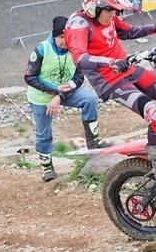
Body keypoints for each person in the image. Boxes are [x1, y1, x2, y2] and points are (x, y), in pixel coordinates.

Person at [65, 0, 156, 190]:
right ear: (93, 7)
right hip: (111, 82)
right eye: (110, 11)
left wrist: (155, 27)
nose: (114, 15)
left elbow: (127, 31)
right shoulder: (78, 25)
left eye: (115, 11)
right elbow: (80, 59)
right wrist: (109, 62)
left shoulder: (107, 16)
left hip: (128, 69)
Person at [25, 16, 108, 182]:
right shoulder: (41, 49)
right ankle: (46, 167)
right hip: (42, 96)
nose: (64, 41)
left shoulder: (76, 49)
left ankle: (93, 144)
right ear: (54, 35)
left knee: (89, 99)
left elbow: (78, 78)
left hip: (65, 92)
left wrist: (60, 95)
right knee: (43, 132)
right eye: (61, 37)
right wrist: (54, 91)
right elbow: (29, 77)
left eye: (67, 36)